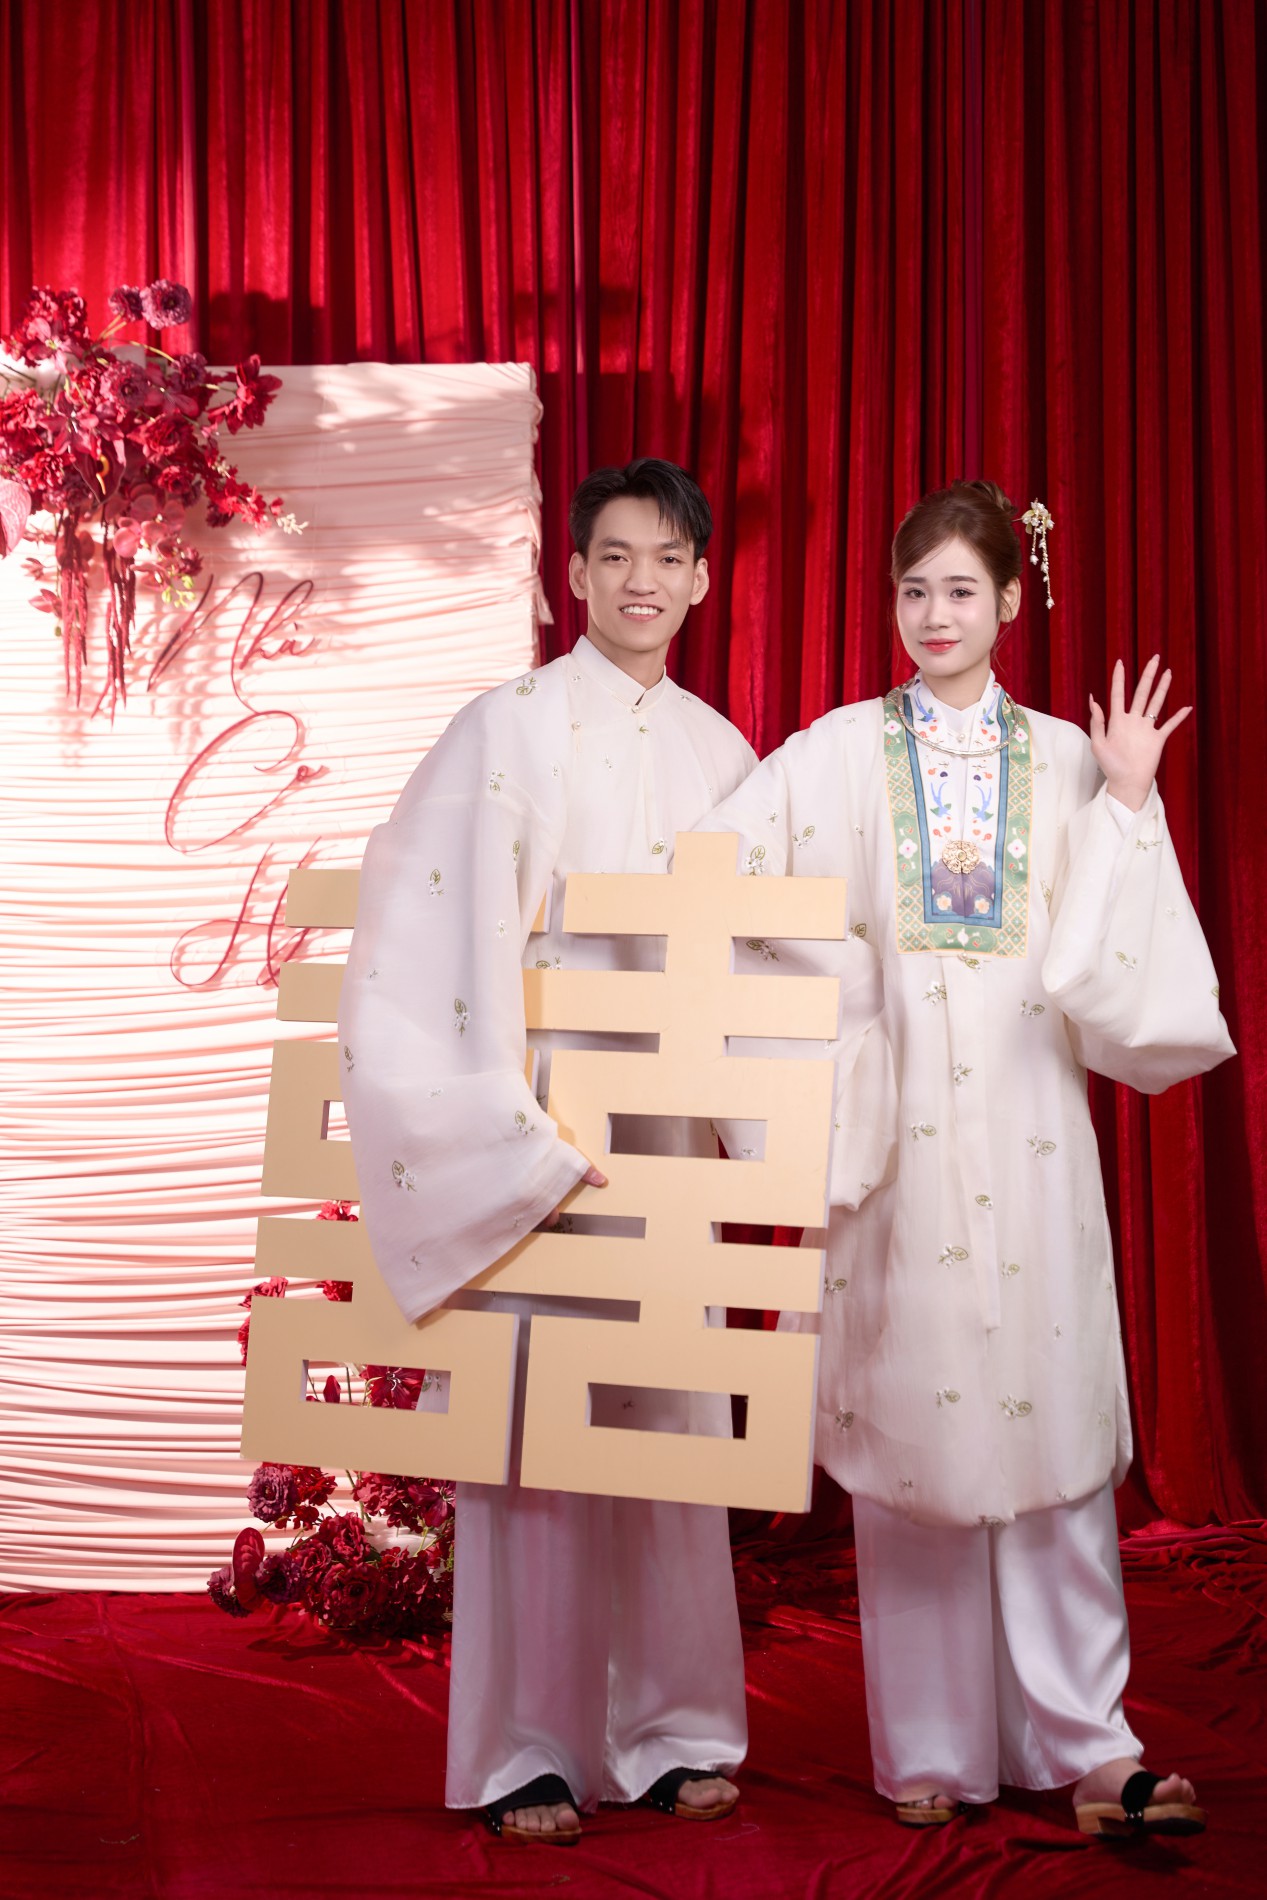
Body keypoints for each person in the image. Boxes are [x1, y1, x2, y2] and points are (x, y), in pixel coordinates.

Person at [699, 479, 1233, 1837]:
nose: (933, 615)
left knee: (1051, 1426)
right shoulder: (835, 752)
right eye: (912, 590)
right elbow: (722, 870)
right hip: (902, 1142)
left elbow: (1116, 966)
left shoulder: (1064, 759)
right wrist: (846, 1003)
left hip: (1036, 1126)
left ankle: (1091, 1743)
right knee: (916, 1425)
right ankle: (928, 1746)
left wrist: (1127, 801)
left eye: (959, 590)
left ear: (1008, 602)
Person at [338, 458, 753, 1844]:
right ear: (571, 573)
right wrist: (511, 1124)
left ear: (702, 579)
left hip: (672, 1127)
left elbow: (773, 957)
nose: (643, 580)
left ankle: (674, 1731)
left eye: (669, 558)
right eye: (616, 555)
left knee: (669, 1426)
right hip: (539, 1118)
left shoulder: (724, 753)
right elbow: (426, 937)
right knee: (531, 1437)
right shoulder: (500, 728)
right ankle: (529, 1746)